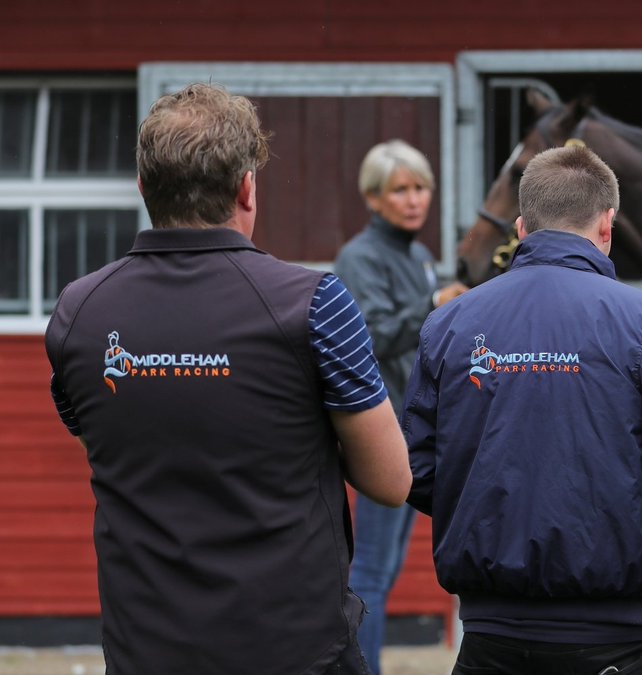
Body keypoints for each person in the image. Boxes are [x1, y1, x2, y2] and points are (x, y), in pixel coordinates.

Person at [44, 83, 412, 675]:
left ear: (144, 189)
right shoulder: (314, 304)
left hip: (146, 652)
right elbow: (392, 481)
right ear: (247, 187)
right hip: (297, 653)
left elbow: (115, 445)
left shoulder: (77, 314)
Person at [402, 145, 642, 675]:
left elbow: (417, 471)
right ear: (608, 224)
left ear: (522, 227)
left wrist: (496, 504)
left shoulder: (451, 324)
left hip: (490, 641)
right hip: (618, 643)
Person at [334, 139, 467, 674]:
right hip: (380, 430)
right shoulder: (359, 257)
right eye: (400, 190)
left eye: (421, 188)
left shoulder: (419, 256)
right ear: (373, 197)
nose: (414, 200)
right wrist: (432, 305)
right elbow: (369, 336)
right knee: (368, 568)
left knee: (384, 570)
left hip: (415, 433)